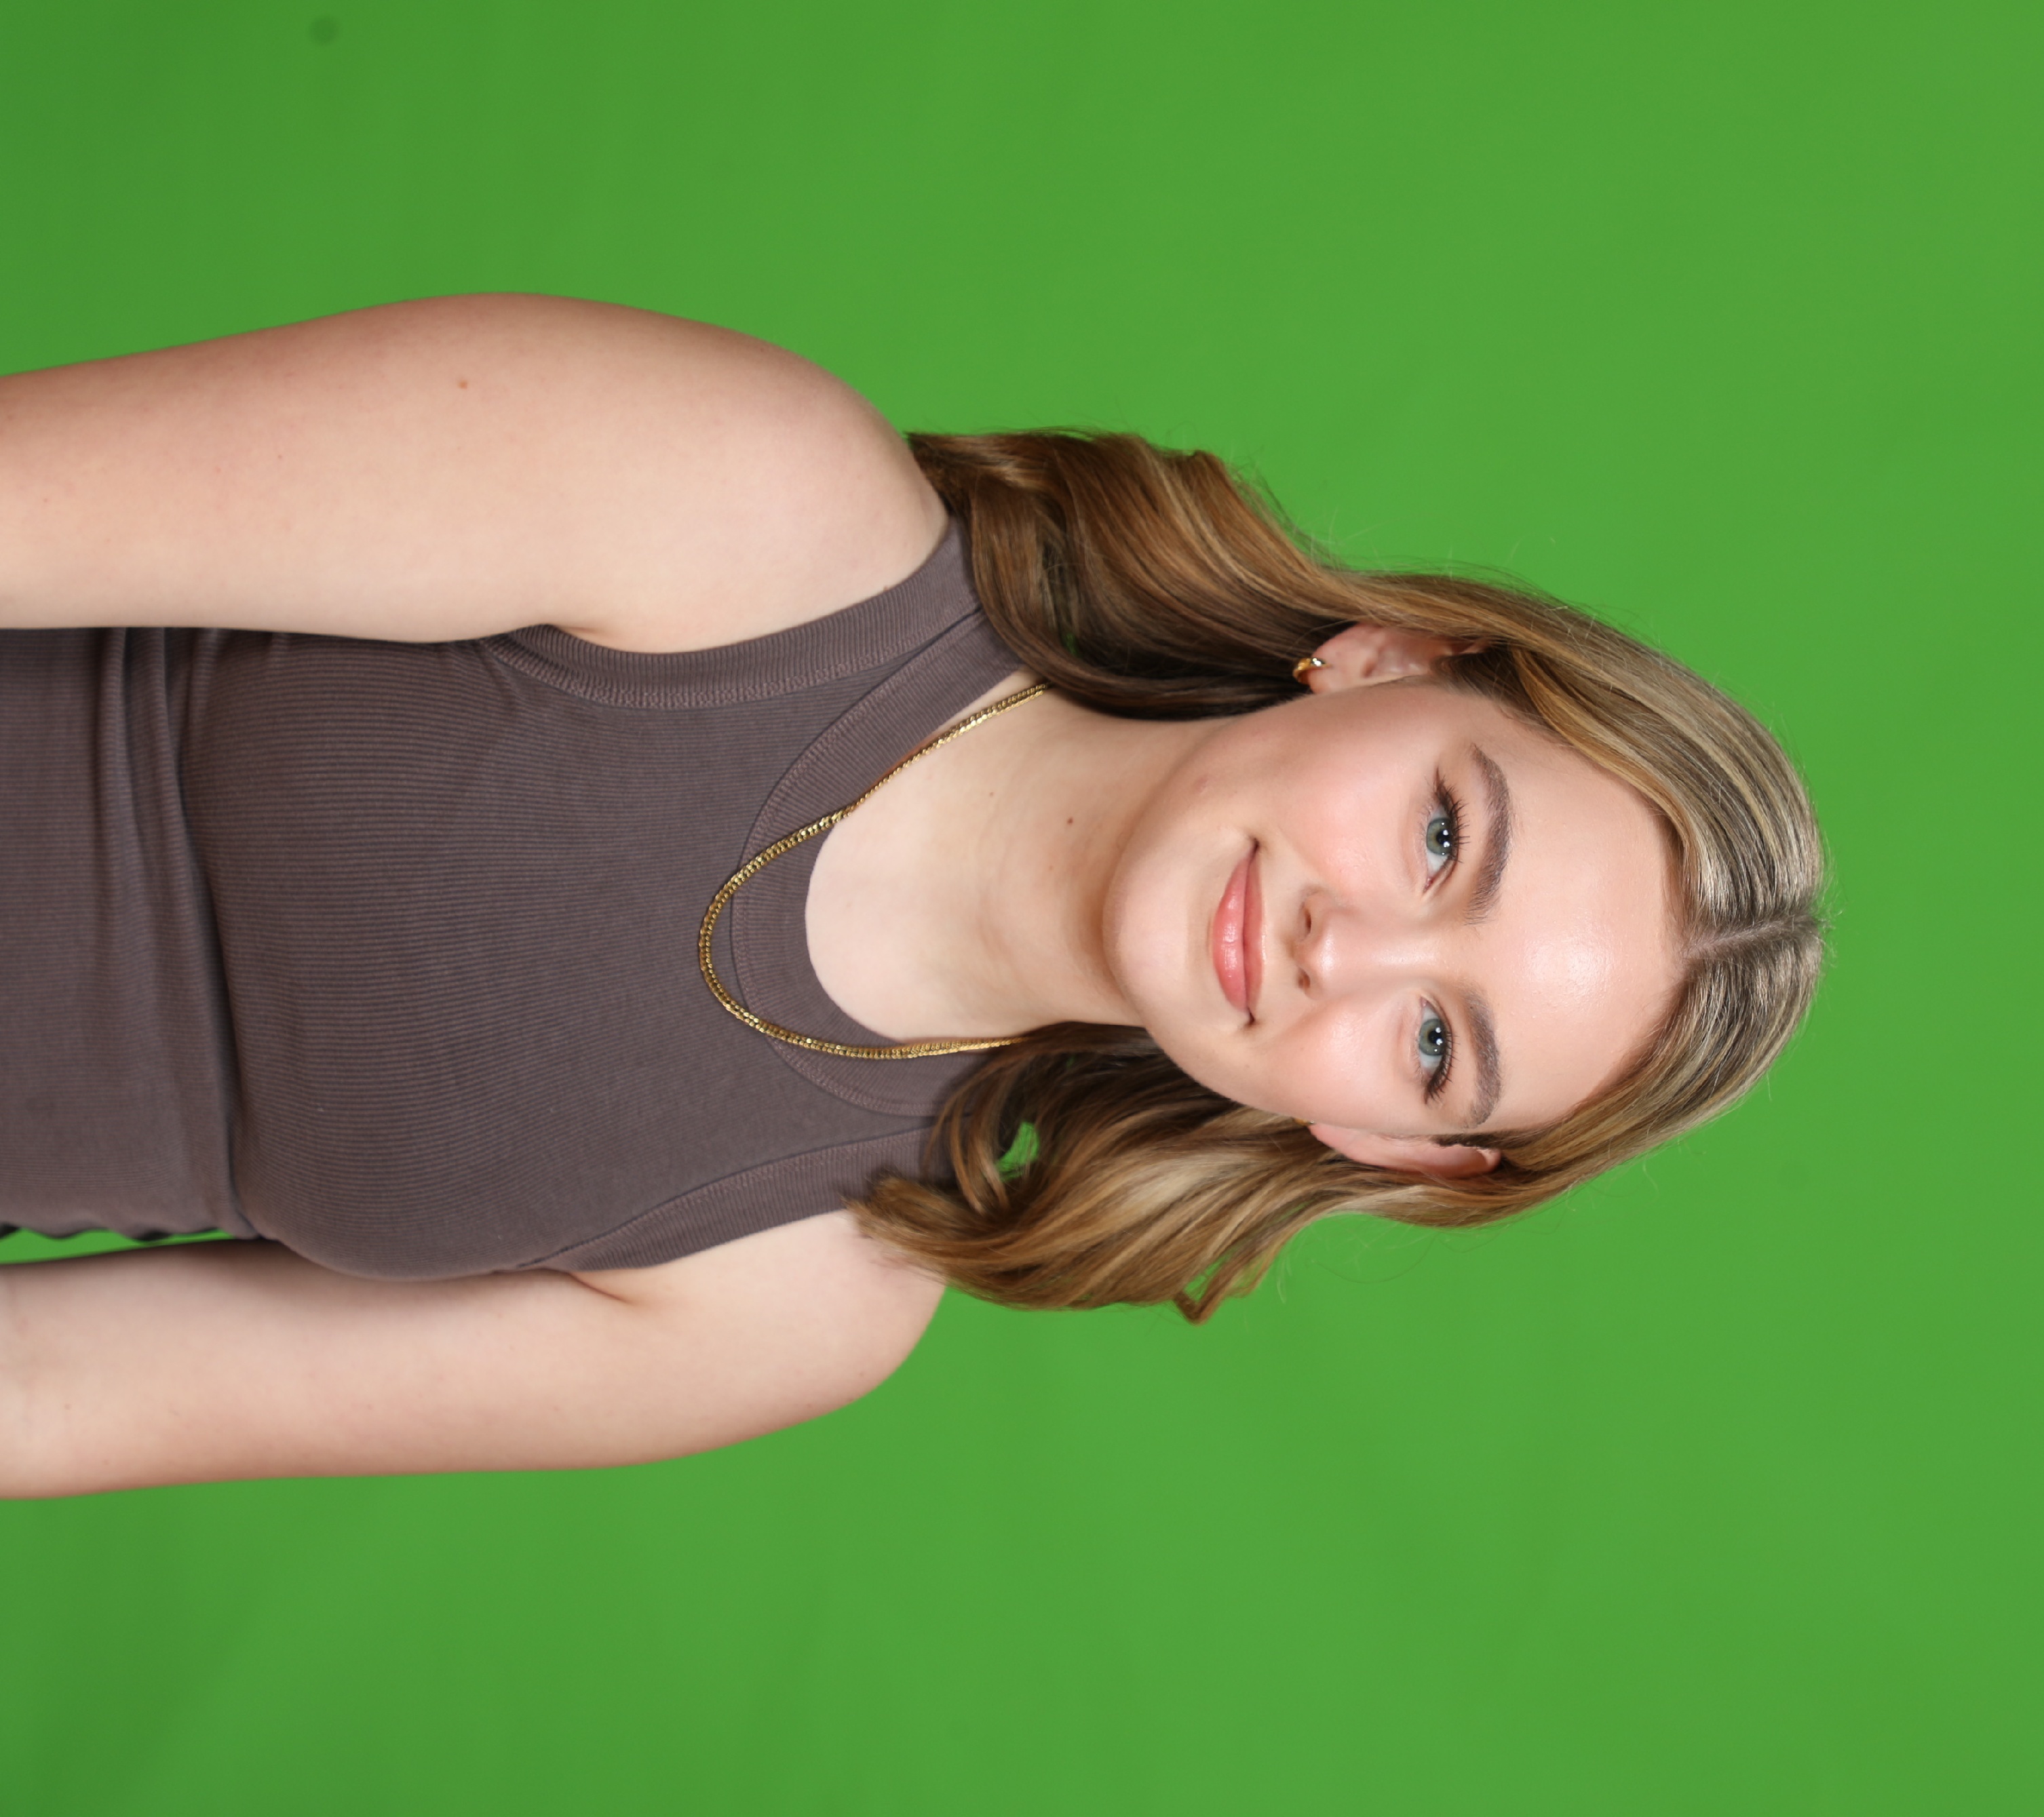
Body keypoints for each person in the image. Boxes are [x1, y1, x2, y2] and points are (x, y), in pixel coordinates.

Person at [0, 295, 1822, 1497]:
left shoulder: (798, 1305)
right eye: (1442, 838)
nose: (1346, 946)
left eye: (1434, 1043)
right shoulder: (742, 508)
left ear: (1380, 1144)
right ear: (1389, 661)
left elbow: (56, 1397)